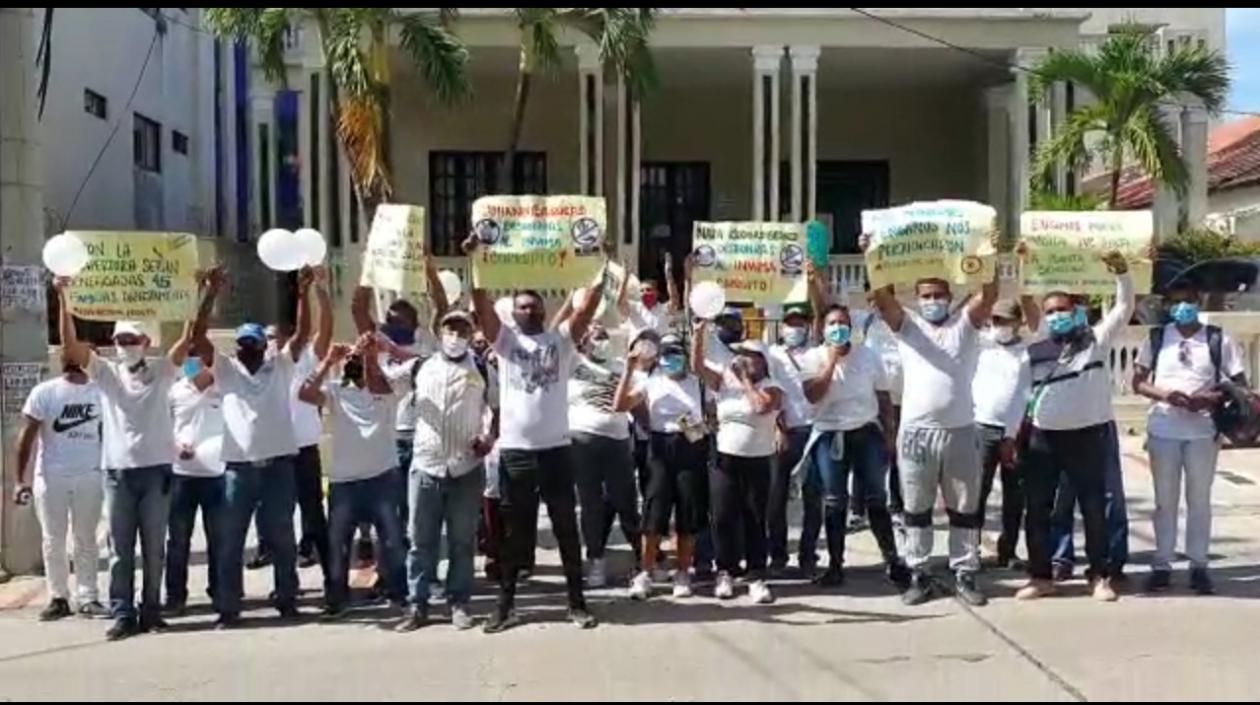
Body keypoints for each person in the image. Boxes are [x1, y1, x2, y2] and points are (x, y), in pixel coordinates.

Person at [58, 270, 220, 639]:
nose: (125, 344)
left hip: (157, 472)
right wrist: (64, 300)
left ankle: (151, 610)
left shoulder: (163, 371)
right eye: (120, 339)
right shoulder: (106, 374)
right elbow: (71, 347)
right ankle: (123, 613)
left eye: (131, 338)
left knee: (154, 548)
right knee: (120, 551)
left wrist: (203, 292)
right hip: (118, 473)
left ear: (145, 341)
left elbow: (190, 335)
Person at [466, 233, 603, 633]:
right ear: (514, 313)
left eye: (534, 306)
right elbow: (481, 305)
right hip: (516, 453)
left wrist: (599, 263)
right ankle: (505, 606)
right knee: (514, 534)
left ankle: (576, 603)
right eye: (522, 306)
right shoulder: (505, 342)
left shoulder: (560, 342)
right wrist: (475, 260)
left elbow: (588, 307)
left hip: (557, 451)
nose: (529, 310)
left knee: (565, 528)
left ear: (543, 312)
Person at [860, 231, 999, 607]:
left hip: (959, 431)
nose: (933, 301)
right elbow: (883, 297)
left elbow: (988, 295)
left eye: (939, 295)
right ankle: (919, 573)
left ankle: (966, 572)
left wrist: (989, 256)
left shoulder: (964, 326)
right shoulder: (908, 326)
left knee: (965, 508)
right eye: (926, 296)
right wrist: (873, 252)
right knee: (915, 508)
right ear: (917, 300)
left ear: (950, 298)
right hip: (917, 434)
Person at [1015, 252, 1134, 602]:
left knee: (1093, 508)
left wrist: (1122, 273)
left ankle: (1099, 577)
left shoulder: (1095, 340)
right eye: (1050, 311)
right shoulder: (1034, 349)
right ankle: (1041, 576)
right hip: (1042, 439)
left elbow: (1124, 307)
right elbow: (1020, 397)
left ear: (1076, 311)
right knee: (1037, 508)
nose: (1056, 316)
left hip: (1087, 437)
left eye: (1062, 309)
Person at [205, 267, 314, 627]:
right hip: (238, 469)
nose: (248, 349)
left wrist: (303, 292)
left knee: (283, 535)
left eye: (254, 343)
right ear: (235, 347)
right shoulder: (226, 370)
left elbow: (303, 334)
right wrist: (210, 294)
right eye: (242, 344)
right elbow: (196, 340)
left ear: (265, 346)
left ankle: (286, 598)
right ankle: (228, 606)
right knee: (231, 541)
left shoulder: (279, 366)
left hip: (279, 466)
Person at [1133, 283, 1247, 595]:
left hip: (1203, 431)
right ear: (1168, 306)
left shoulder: (1217, 338)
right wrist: (1167, 395)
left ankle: (1199, 565)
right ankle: (1161, 564)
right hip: (1164, 429)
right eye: (1176, 302)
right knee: (1164, 501)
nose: (1182, 307)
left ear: (1198, 302)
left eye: (1188, 301)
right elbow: (1139, 382)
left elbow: (1240, 385)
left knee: (1199, 500)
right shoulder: (1157, 338)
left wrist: (1210, 397)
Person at [396, 310, 496, 632]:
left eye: (462, 328)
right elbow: (383, 384)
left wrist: (489, 437)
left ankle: (459, 602)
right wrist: (370, 356)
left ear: (471, 332)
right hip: (426, 466)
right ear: (439, 331)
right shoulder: (419, 366)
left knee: (462, 541)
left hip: (465, 468)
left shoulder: (481, 368)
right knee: (420, 541)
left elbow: (497, 407)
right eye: (450, 328)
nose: (455, 334)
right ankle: (417, 604)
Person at [798, 304, 909, 589]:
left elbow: (883, 398)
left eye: (843, 323)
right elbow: (812, 395)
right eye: (832, 323)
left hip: (865, 432)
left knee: (876, 498)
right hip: (829, 435)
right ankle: (835, 566)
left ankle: (892, 559)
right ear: (823, 329)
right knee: (834, 502)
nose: (838, 328)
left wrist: (889, 435)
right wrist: (832, 362)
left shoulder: (869, 356)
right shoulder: (813, 357)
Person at [297, 334, 405, 618]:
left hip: (382, 477)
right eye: (350, 361)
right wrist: (328, 361)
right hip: (344, 482)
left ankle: (397, 592)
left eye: (358, 360)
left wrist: (368, 355)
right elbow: (305, 394)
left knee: (392, 540)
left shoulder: (385, 387)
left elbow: (380, 380)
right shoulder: (335, 390)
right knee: (338, 545)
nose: (353, 364)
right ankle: (337, 598)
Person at [614, 331, 709, 599]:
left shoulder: (697, 383)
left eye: (676, 353)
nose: (672, 359)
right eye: (666, 354)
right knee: (654, 513)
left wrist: (695, 428)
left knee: (687, 515)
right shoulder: (651, 382)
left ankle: (682, 572)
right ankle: (645, 572)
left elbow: (711, 417)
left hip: (691, 447)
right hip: (658, 449)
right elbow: (620, 405)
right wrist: (628, 370)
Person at [14, 344, 106, 620]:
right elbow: (26, 437)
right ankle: (58, 597)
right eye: (69, 352)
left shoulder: (101, 391)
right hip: (52, 477)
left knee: (86, 538)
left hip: (89, 474)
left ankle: (88, 596)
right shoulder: (45, 392)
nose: (73, 356)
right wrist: (20, 480)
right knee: (53, 540)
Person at [693, 326, 783, 604]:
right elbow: (697, 366)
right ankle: (725, 571)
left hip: (757, 461)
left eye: (751, 357)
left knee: (754, 517)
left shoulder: (773, 387)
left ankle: (756, 574)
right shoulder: (723, 383)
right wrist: (698, 334)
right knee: (722, 517)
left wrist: (745, 381)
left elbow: (759, 407)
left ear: (764, 362)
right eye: (741, 356)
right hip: (725, 459)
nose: (745, 361)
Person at [263, 269, 333, 576]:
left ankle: (316, 553)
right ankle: (276, 554)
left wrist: (316, 291)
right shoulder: (262, 365)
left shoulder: (304, 356)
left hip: (304, 445)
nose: (269, 341)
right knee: (276, 512)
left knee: (312, 507)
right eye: (265, 337)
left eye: (273, 336)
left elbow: (323, 328)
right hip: (275, 449)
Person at [568, 323, 642, 589]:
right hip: (581, 441)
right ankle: (596, 560)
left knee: (626, 502)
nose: (601, 340)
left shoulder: (621, 365)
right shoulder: (571, 363)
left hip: (618, 441)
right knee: (591, 505)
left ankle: (642, 560)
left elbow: (636, 398)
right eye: (595, 336)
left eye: (604, 335)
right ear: (583, 341)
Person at [766, 263, 827, 574]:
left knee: (812, 499)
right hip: (784, 431)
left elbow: (822, 312)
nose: (795, 327)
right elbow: (770, 392)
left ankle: (807, 556)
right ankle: (777, 555)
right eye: (790, 322)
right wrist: (778, 426)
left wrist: (814, 281)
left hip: (814, 431)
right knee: (775, 498)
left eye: (799, 322)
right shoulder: (772, 353)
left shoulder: (817, 349)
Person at [164, 339, 227, 616]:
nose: (192, 362)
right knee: (178, 540)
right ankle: (176, 597)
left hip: (217, 475)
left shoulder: (224, 389)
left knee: (219, 539)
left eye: (196, 357)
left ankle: (221, 592)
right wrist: (176, 447)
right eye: (188, 357)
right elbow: (162, 427)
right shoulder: (174, 391)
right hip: (181, 476)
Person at [971, 300, 1031, 570]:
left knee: (1014, 495)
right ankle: (969, 549)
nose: (1000, 327)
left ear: (1019, 323)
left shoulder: (1025, 354)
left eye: (1006, 321)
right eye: (996, 321)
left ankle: (1008, 550)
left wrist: (1011, 434)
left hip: (1014, 431)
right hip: (980, 427)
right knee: (976, 493)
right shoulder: (981, 345)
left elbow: (1023, 397)